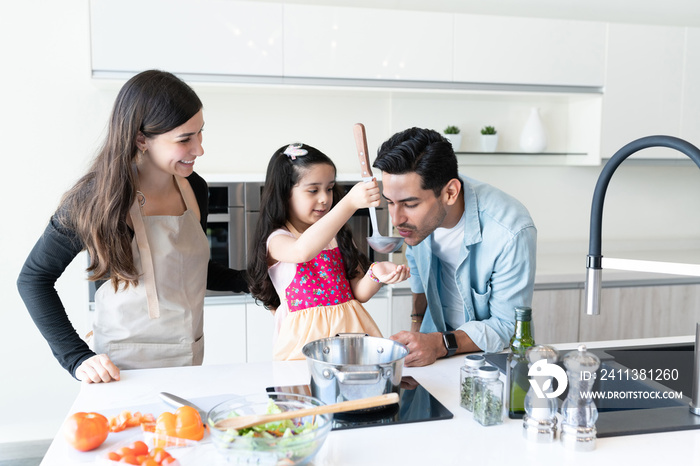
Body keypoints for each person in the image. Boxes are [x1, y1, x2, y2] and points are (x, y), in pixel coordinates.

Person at [17, 70, 248, 383]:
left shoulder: (195, 188)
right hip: (118, 371)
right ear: (141, 139)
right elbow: (34, 279)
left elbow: (193, 271)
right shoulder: (96, 200)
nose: (199, 149)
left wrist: (259, 281)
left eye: (200, 133)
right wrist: (75, 357)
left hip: (188, 358)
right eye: (184, 139)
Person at [372, 127, 537, 367]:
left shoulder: (510, 231)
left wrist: (440, 343)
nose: (396, 220)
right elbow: (418, 270)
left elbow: (508, 326)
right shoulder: (418, 223)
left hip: (490, 358)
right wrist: (418, 329)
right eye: (390, 202)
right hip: (434, 346)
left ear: (450, 192)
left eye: (409, 204)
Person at [248, 143, 410, 360]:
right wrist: (349, 203)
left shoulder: (337, 236)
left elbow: (358, 294)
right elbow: (302, 252)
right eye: (313, 190)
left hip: (350, 340)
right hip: (303, 348)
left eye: (330, 188)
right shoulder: (278, 240)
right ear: (285, 193)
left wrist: (377, 273)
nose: (325, 198)